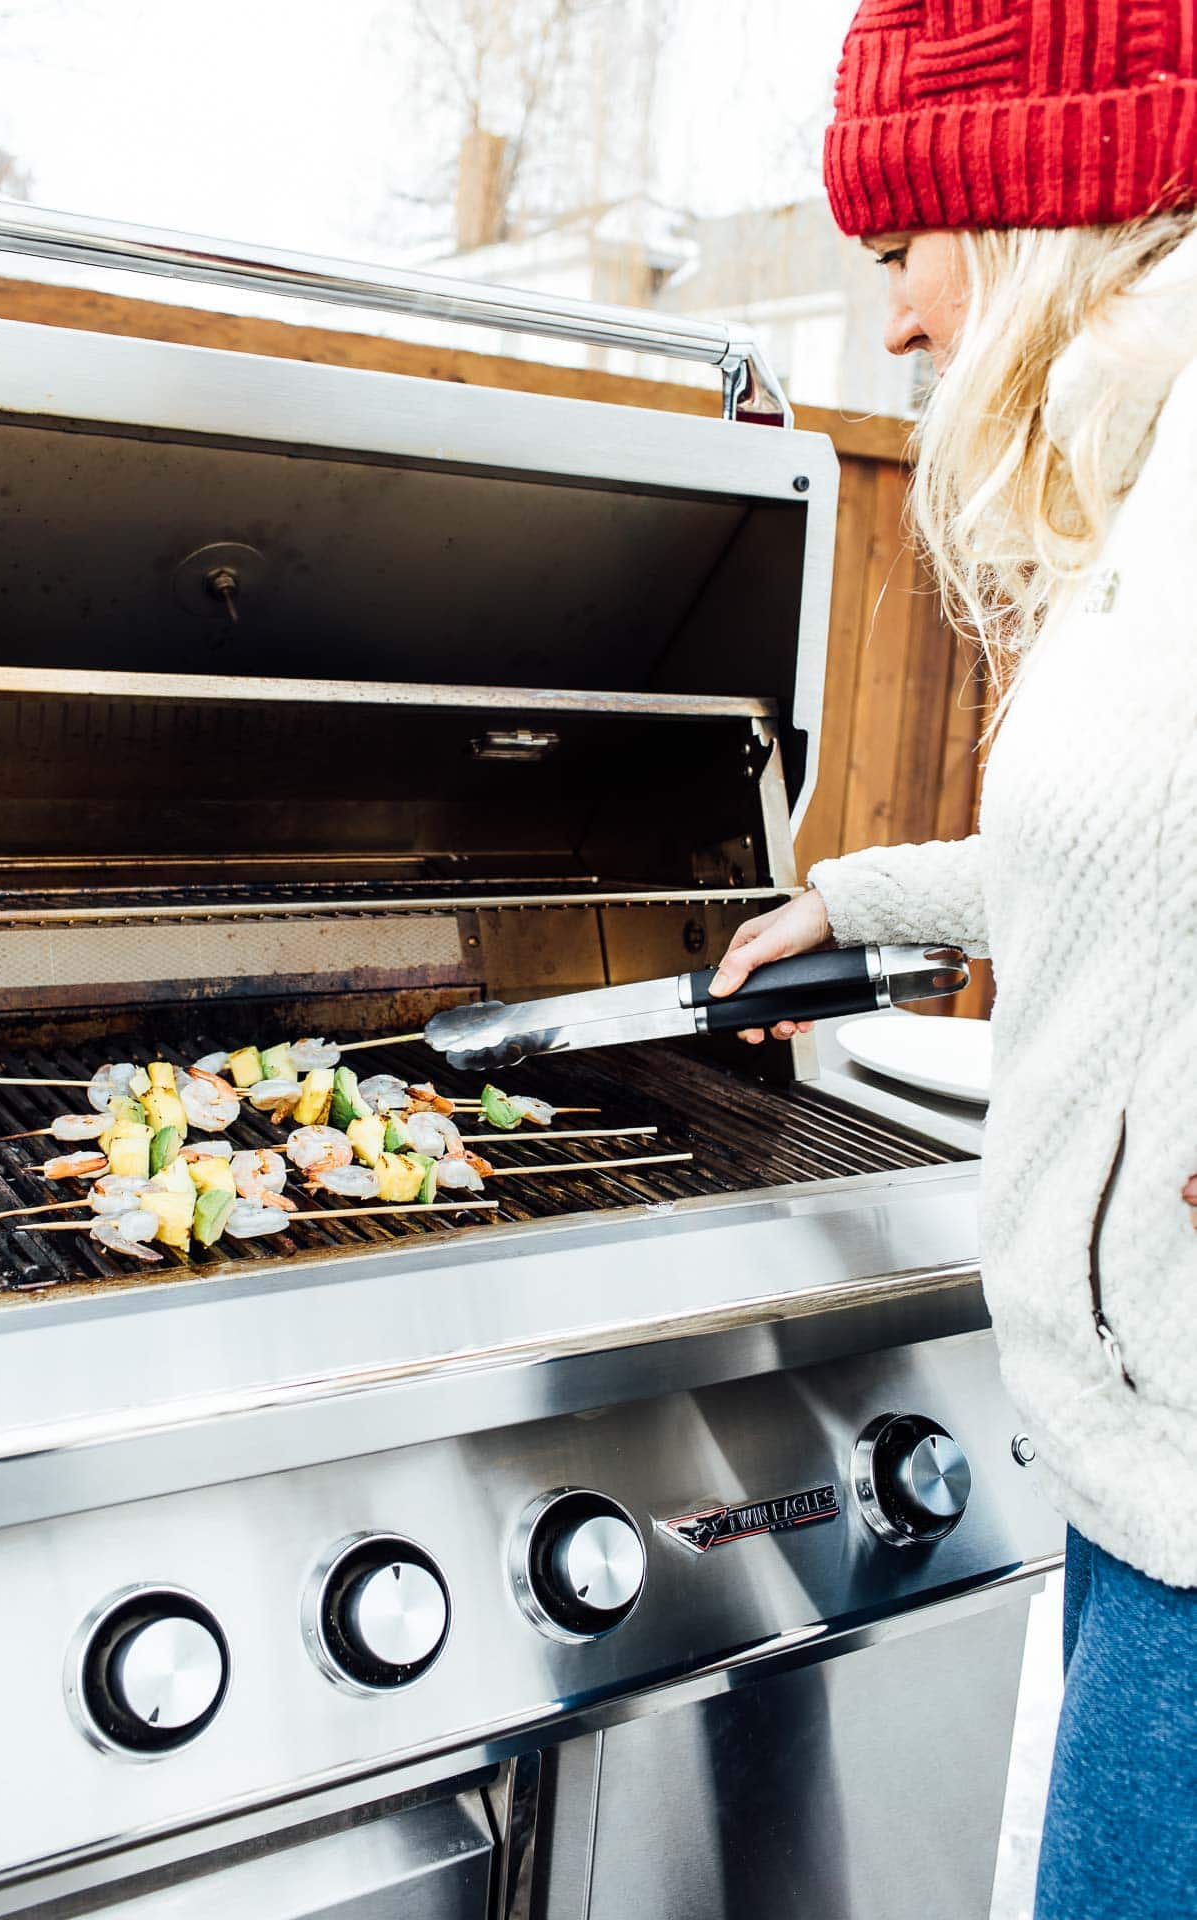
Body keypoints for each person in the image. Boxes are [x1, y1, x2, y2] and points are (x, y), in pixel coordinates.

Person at [711, 4, 1197, 1916]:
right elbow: (1148, 852)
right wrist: (880, 891)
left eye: (901, 256)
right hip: (1139, 1458)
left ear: (1029, 204)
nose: (897, 323)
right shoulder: (1147, 458)